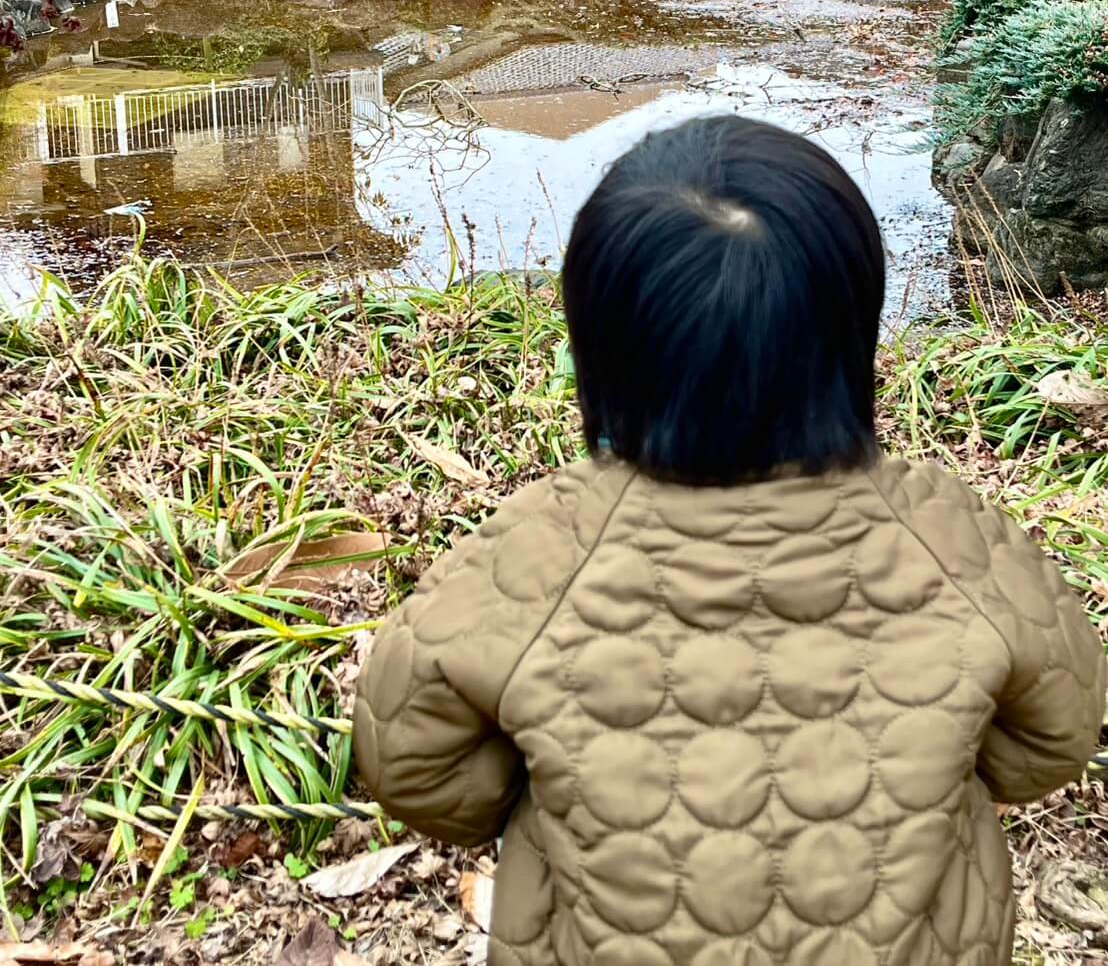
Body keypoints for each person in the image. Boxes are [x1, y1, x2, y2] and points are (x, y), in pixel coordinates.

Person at [353, 115, 1106, 966]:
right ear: (850, 336)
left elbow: (410, 761)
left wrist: (544, 785)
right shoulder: (950, 534)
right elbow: (1056, 734)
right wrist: (937, 761)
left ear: (600, 348)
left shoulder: (538, 547)